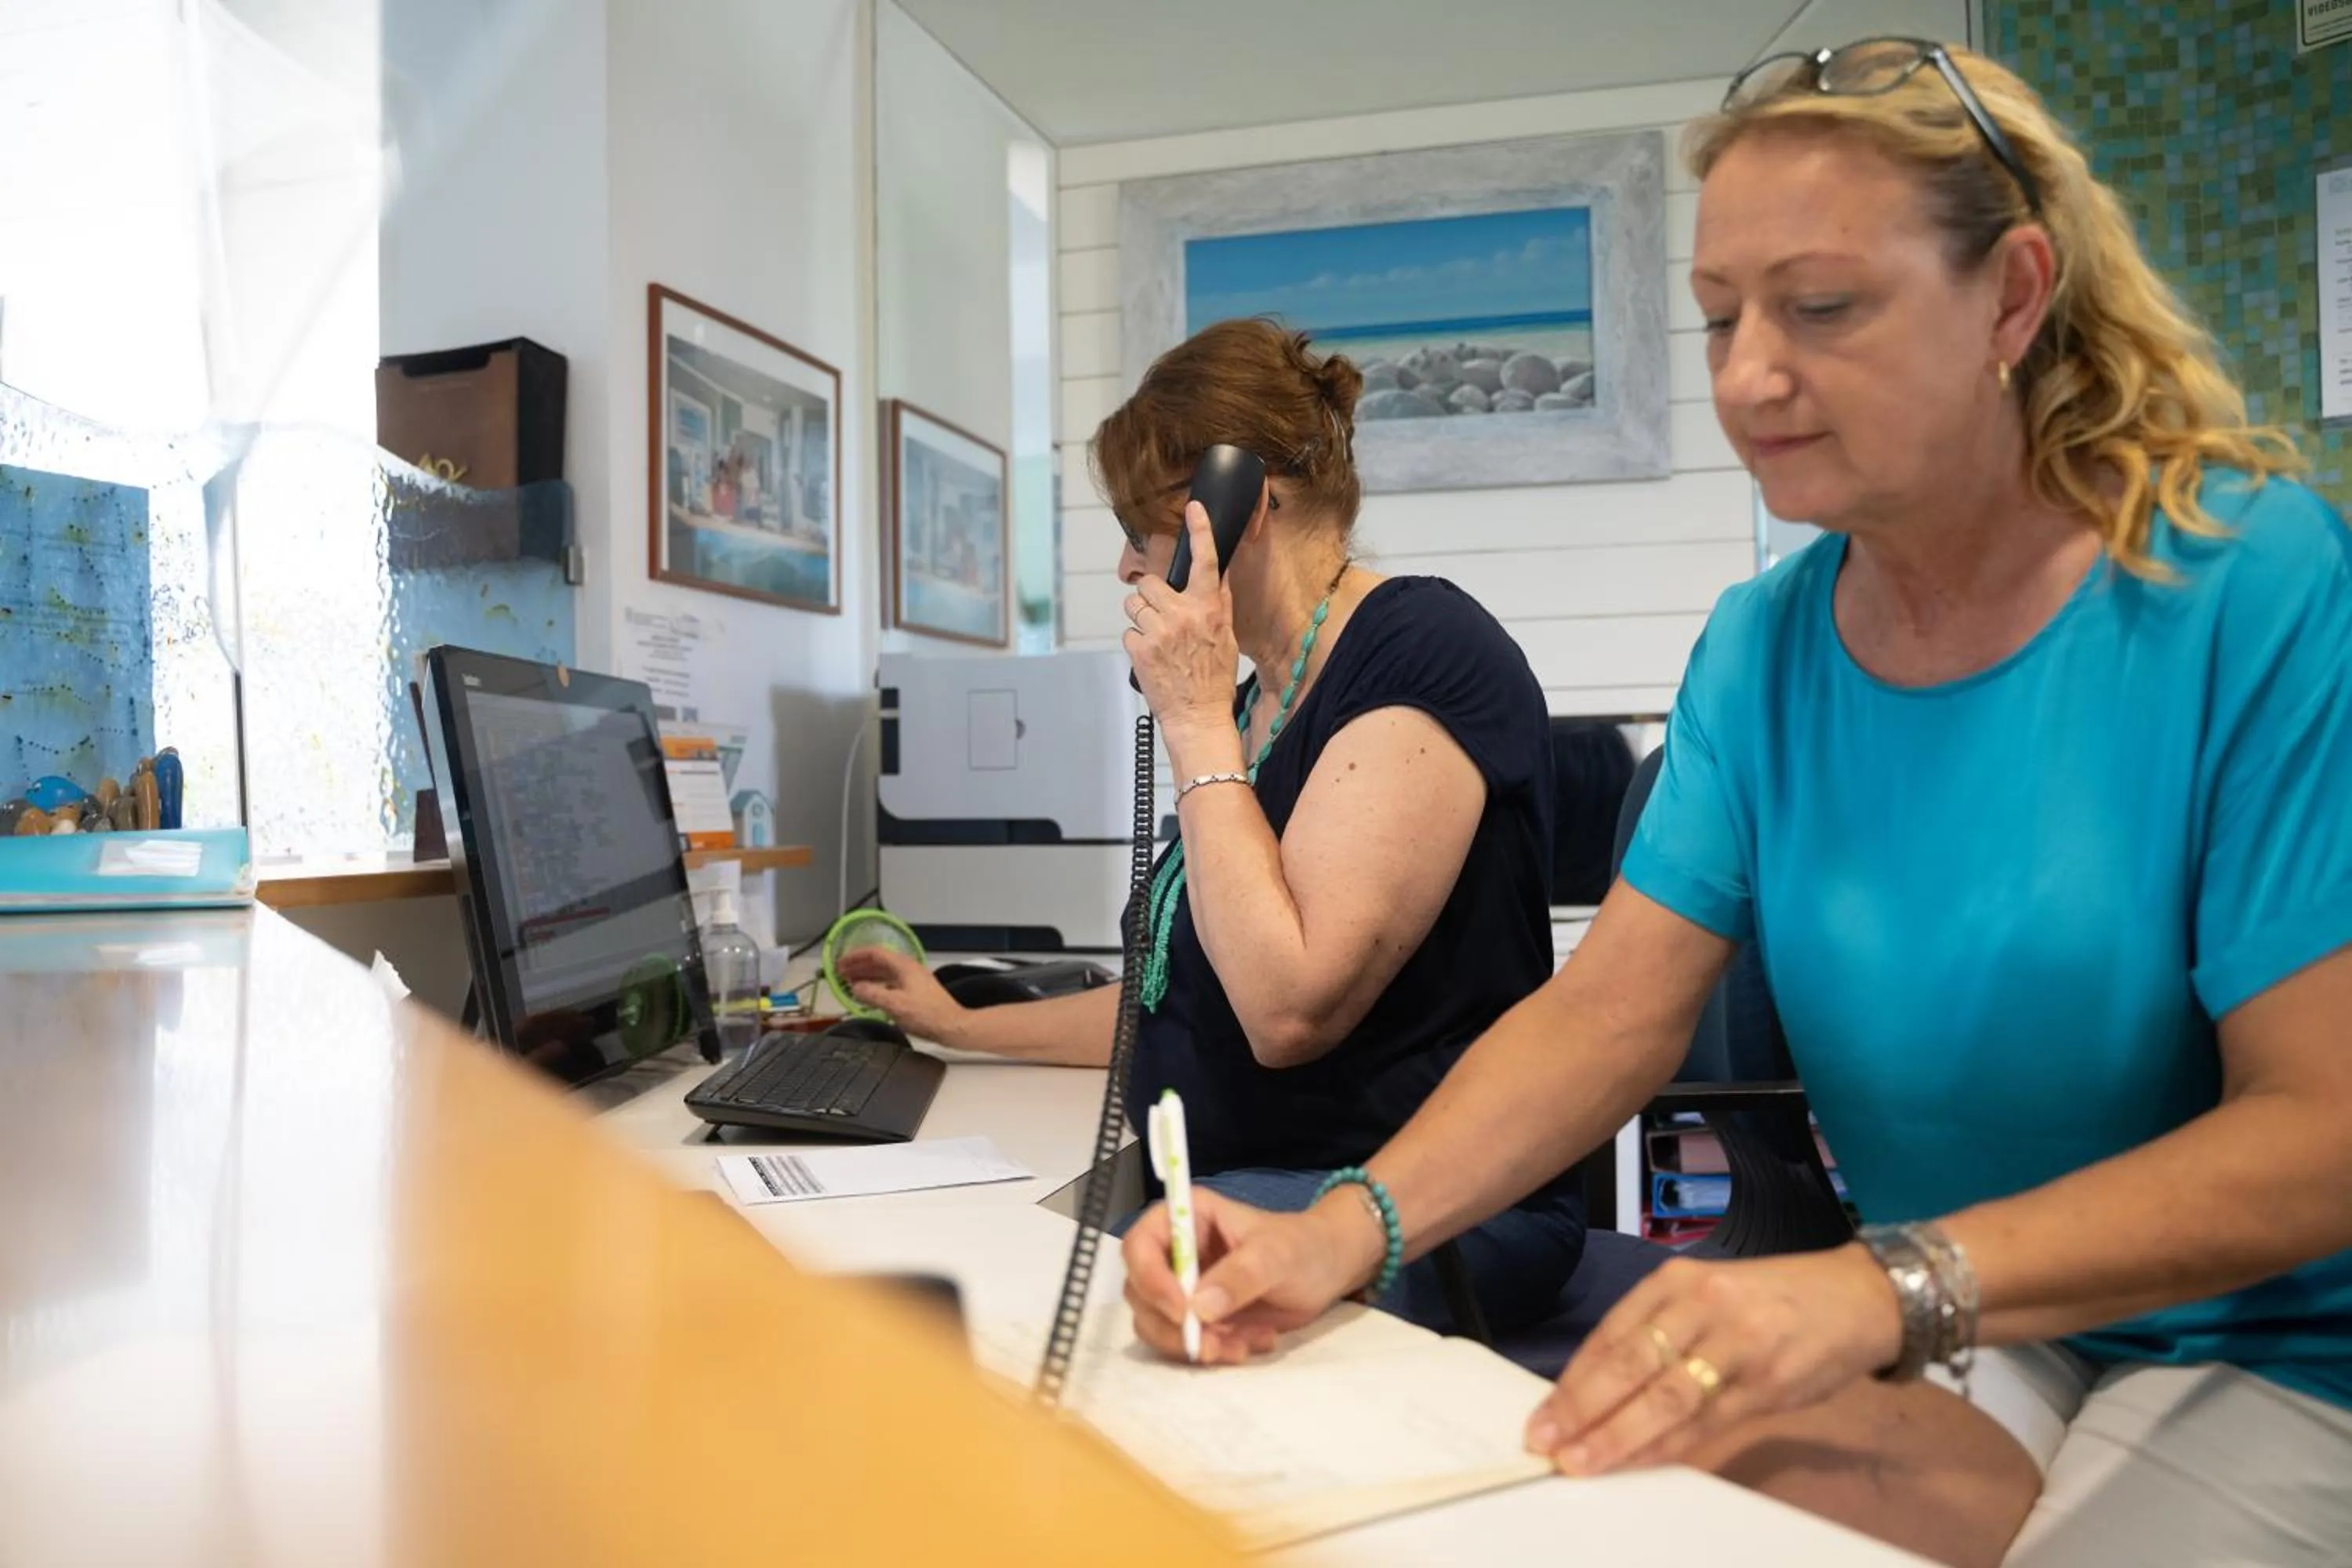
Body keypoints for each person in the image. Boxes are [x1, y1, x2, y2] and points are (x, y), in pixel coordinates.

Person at [1120, 39, 2352, 1568]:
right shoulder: (1765, 648)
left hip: (2286, 1342)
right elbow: (1607, 1020)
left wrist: (1872, 1288)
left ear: (2016, 297)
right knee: (1636, 1514)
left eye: (1822, 308)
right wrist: (1341, 1229)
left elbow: (2328, 1127)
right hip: (1988, 1316)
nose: (1748, 376)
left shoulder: (2254, 580)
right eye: (1717, 319)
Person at [841, 318, 1586, 1337]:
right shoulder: (1254, 706)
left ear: (1239, 512)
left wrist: (1191, 722)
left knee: (1008, 1337)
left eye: (1142, 525)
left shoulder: (1423, 657)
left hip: (1385, 1213)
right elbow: (1177, 1003)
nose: (1123, 565)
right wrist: (958, 1025)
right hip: (1250, 1181)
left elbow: (1284, 1011)